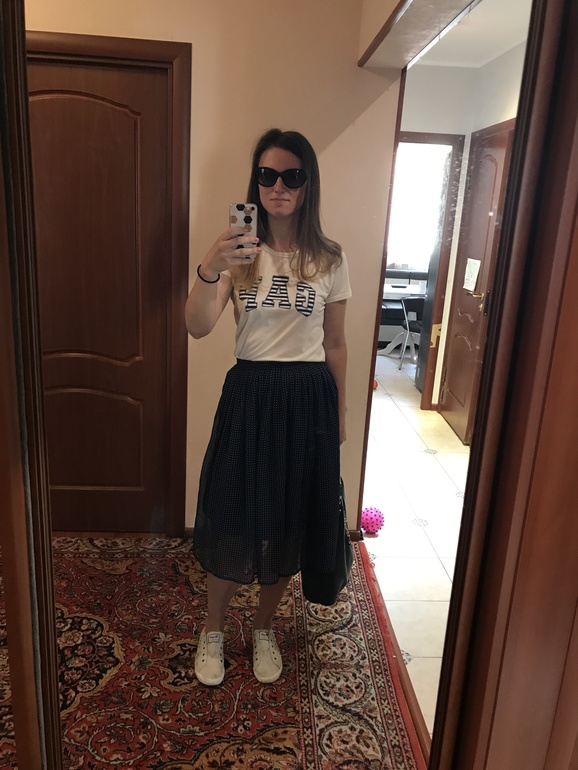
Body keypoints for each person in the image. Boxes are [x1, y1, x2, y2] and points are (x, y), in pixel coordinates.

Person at [184, 128, 351, 687]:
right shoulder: (239, 255)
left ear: (307, 184)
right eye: (267, 175)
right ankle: (213, 628)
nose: (279, 186)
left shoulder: (329, 259)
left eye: (292, 175)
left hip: (308, 401)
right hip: (250, 396)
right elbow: (197, 326)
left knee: (288, 521)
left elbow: (336, 344)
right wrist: (210, 265)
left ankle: (262, 628)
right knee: (231, 516)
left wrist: (340, 415)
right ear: (255, 182)